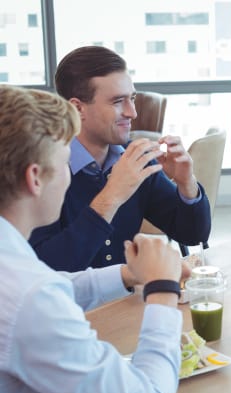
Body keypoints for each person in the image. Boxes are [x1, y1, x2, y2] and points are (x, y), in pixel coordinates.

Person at [0, 85, 184, 393]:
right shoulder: (29, 296)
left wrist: (128, 274)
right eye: (66, 164)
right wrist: (162, 292)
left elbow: (46, 290)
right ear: (35, 178)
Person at [28, 46, 211, 271]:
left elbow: (193, 235)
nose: (132, 112)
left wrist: (186, 183)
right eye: (117, 102)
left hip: (125, 301)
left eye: (132, 99)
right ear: (77, 108)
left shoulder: (134, 158)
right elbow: (49, 269)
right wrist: (112, 195)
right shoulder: (39, 172)